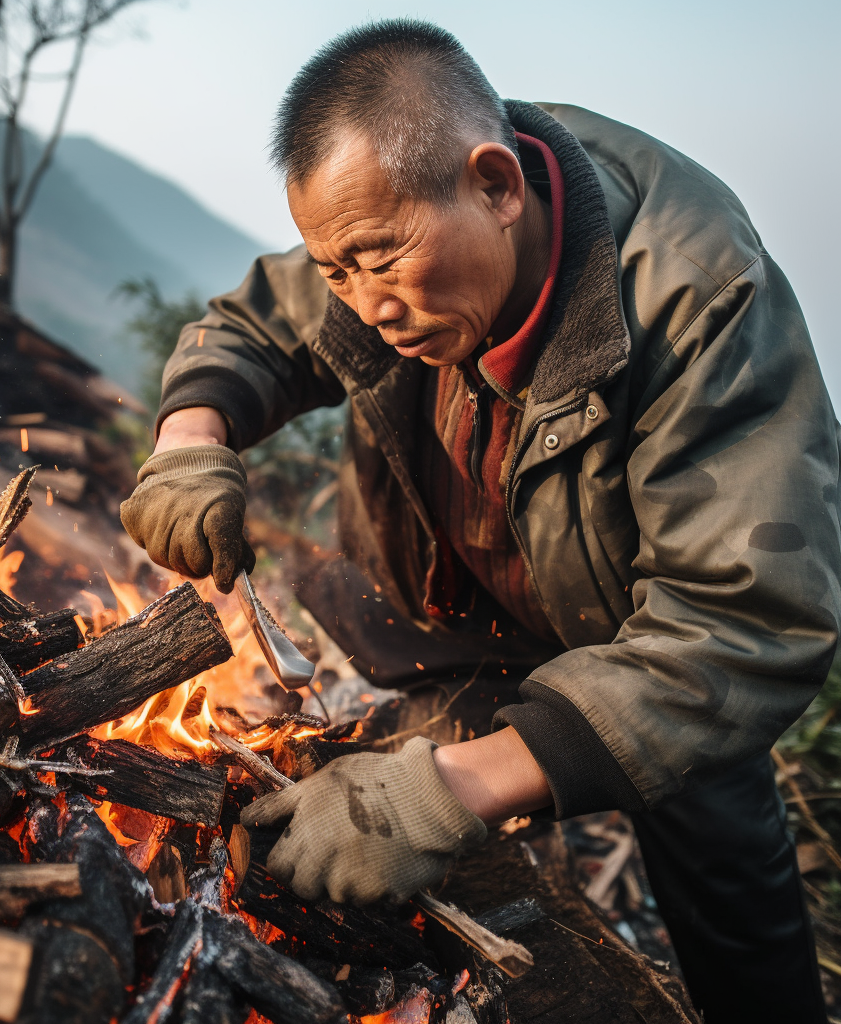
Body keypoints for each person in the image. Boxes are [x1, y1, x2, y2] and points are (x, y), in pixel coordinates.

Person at [119, 20, 841, 1022]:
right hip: (448, 610)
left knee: (718, 845)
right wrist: (191, 437)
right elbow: (255, 321)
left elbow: (742, 623)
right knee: (405, 862)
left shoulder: (695, 294)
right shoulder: (379, 232)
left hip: (642, 647)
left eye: (378, 261)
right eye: (337, 271)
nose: (363, 304)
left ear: (498, 188)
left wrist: (448, 787)